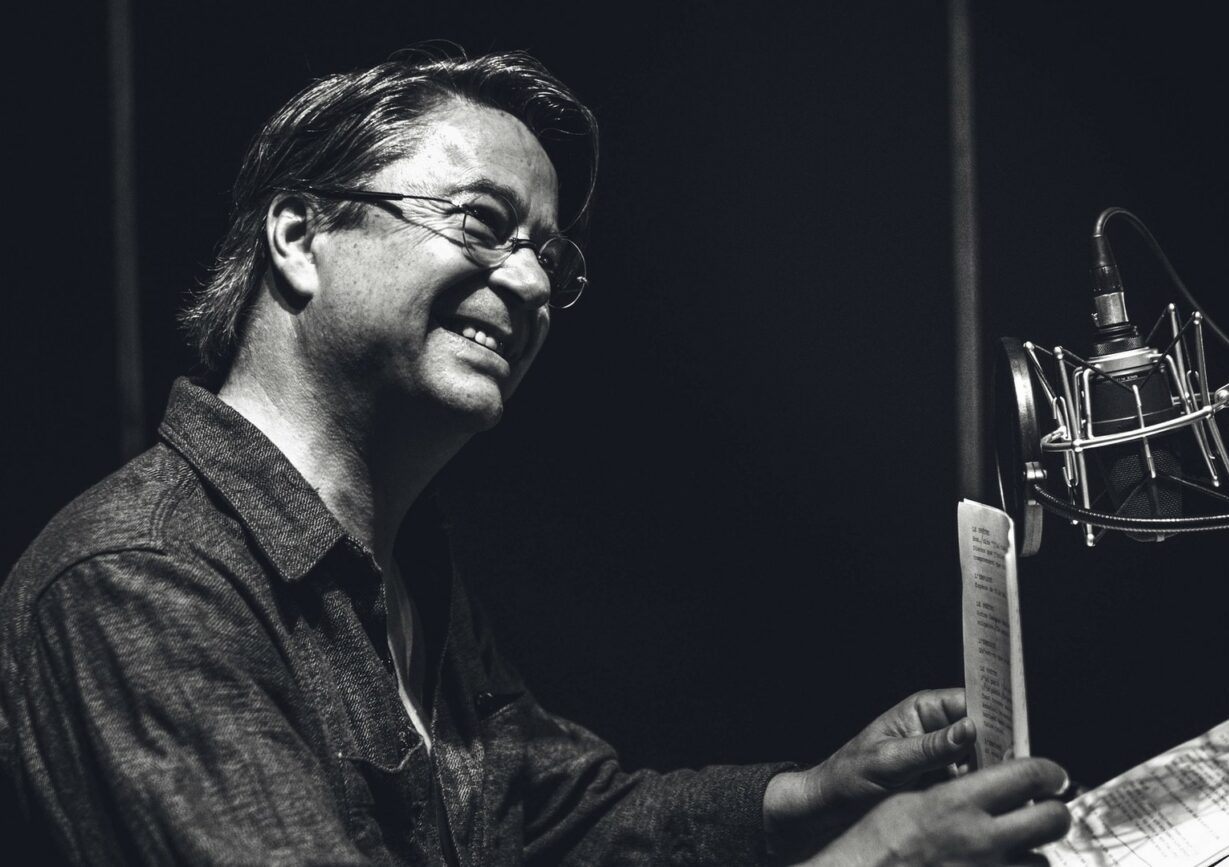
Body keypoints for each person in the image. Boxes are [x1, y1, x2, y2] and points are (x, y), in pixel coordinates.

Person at [0, 48, 1070, 865]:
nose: (529, 284)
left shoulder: (406, 563)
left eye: (550, 256)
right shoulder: (141, 580)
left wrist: (813, 797)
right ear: (298, 235)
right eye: (480, 222)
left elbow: (556, 820)